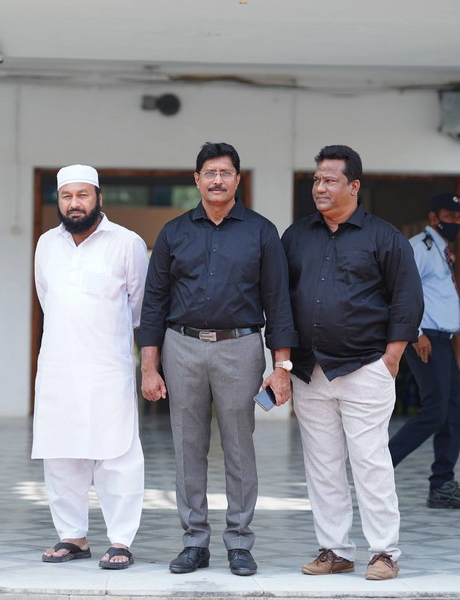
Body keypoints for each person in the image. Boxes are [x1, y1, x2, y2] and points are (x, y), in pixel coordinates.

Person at [138, 142, 297, 577]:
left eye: (225, 173)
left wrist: (281, 368)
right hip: (182, 345)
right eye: (209, 172)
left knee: (239, 446)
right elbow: (154, 303)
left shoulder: (261, 232)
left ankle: (240, 543)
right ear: (197, 179)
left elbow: (278, 303)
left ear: (238, 180)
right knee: (187, 447)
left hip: (240, 346)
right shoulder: (173, 233)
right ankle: (194, 542)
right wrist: (149, 366)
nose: (217, 180)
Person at [281, 144, 423, 581]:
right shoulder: (297, 236)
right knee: (321, 465)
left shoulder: (384, 237)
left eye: (330, 180)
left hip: (364, 366)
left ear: (354, 185)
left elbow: (407, 299)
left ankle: (384, 552)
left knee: (370, 461)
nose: (319, 188)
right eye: (316, 180)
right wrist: (283, 363)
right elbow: (281, 300)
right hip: (310, 370)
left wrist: (391, 358)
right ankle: (335, 549)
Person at [33, 164, 149, 570]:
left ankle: (121, 540)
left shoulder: (127, 243)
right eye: (67, 196)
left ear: (99, 197)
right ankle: (73, 536)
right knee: (60, 453)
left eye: (82, 195)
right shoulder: (46, 244)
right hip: (58, 366)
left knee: (117, 455)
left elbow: (139, 307)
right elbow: (47, 299)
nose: (74, 203)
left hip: (107, 366)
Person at [388, 193, 460, 509]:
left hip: (443, 340)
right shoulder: (420, 247)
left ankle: (442, 484)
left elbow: (436, 298)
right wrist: (415, 334)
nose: (456, 222)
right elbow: (399, 291)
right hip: (425, 340)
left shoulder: (441, 250)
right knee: (435, 411)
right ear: (433, 218)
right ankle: (378, 467)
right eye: (450, 216)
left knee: (451, 413)